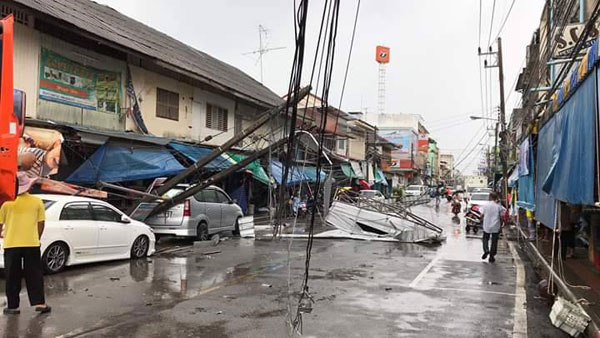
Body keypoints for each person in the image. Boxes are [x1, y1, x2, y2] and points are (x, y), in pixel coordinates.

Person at [0, 172, 51, 314]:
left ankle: (13, 306)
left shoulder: (6, 203)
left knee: (12, 276)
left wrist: (3, 234)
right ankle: (39, 303)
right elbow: (41, 223)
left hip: (11, 245)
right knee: (34, 274)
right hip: (32, 244)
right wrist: (36, 238)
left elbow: (0, 224)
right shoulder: (37, 202)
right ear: (28, 186)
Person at [480, 192, 506, 263]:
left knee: (485, 239)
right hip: (495, 225)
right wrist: (501, 224)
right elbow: (502, 215)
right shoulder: (498, 206)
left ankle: (486, 250)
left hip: (486, 225)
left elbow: (481, 215)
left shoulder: (485, 205)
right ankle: (492, 256)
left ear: (490, 197)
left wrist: (481, 219)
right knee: (494, 241)